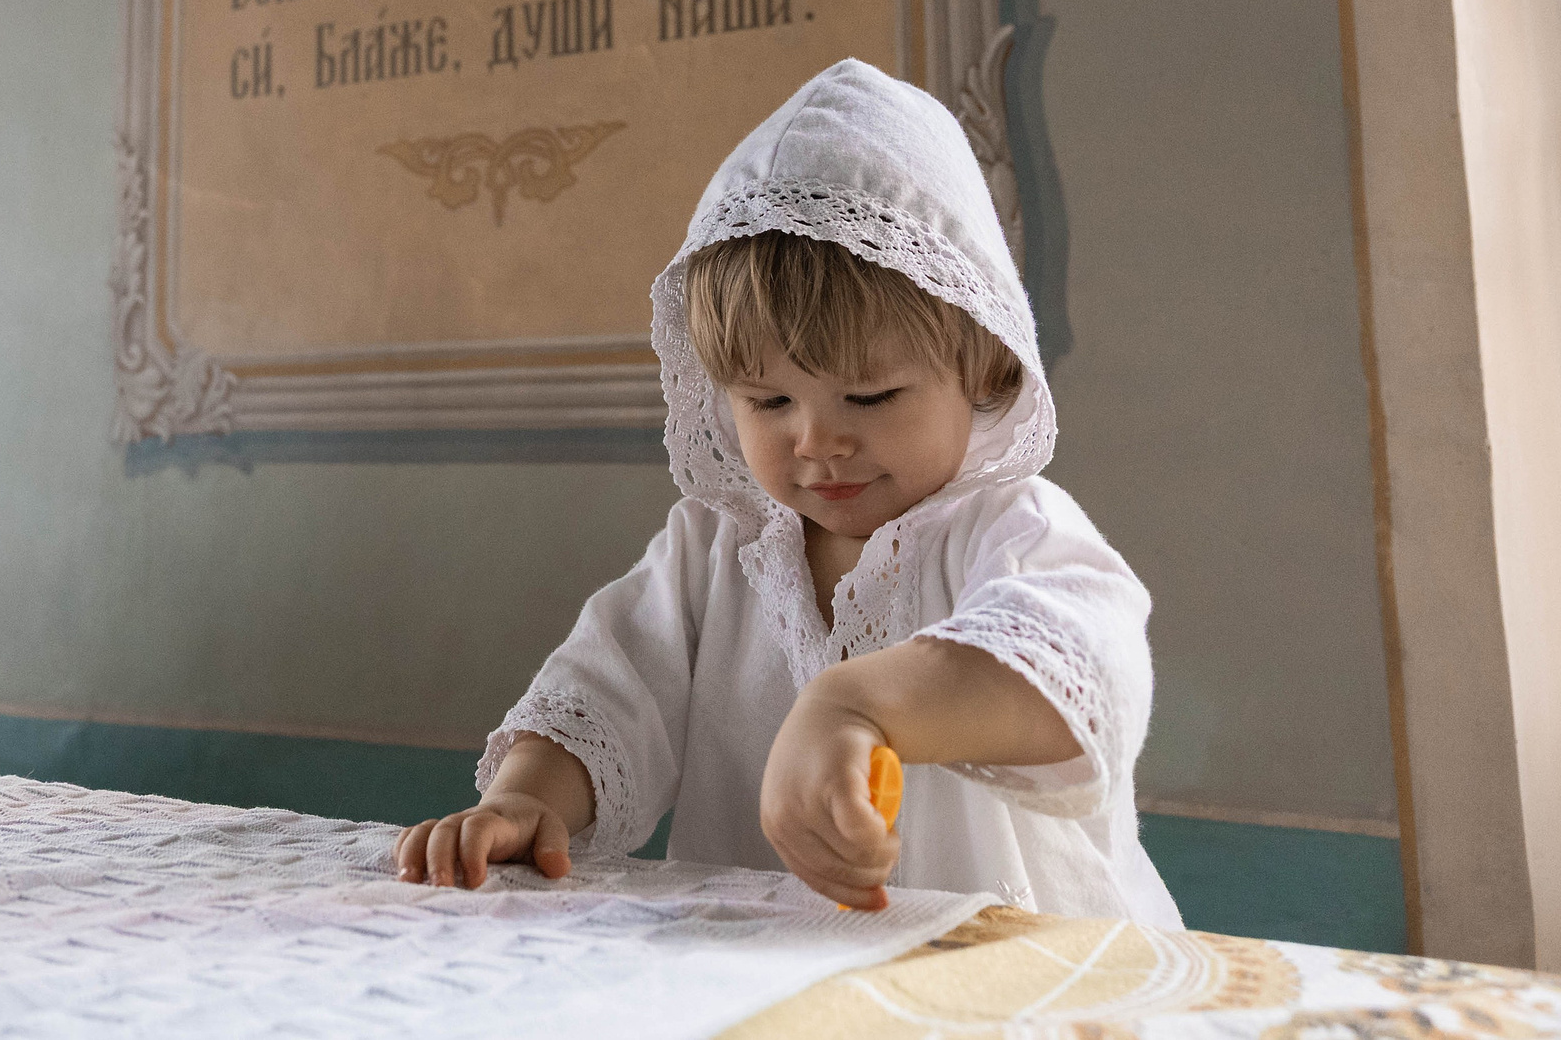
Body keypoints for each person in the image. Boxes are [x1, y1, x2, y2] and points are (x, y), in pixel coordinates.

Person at [397, 59, 1180, 924]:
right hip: (773, 967)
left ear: (985, 362)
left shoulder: (1007, 528)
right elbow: (604, 693)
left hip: (1005, 974)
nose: (817, 441)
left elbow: (1081, 676)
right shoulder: (713, 549)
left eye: (871, 396)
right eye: (768, 401)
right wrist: (527, 798)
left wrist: (856, 703)